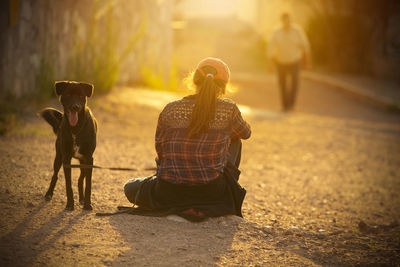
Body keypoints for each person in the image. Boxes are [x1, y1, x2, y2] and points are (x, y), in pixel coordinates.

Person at [123, 57, 251, 221]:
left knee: (130, 187)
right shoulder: (229, 109)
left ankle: (179, 204)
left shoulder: (170, 109)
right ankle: (220, 196)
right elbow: (246, 133)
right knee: (236, 138)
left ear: (194, 80)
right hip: (212, 191)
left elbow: (161, 153)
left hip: (170, 192)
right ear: (224, 86)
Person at [268, 12, 311, 111]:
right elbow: (271, 48)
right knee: (282, 84)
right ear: (282, 21)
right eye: (284, 20)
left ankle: (291, 105)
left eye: (288, 20)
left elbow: (305, 47)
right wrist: (270, 64)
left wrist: (307, 62)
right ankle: (285, 105)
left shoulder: (297, 31)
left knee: (294, 83)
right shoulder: (276, 32)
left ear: (290, 20)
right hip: (281, 61)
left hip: (294, 61)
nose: (286, 22)